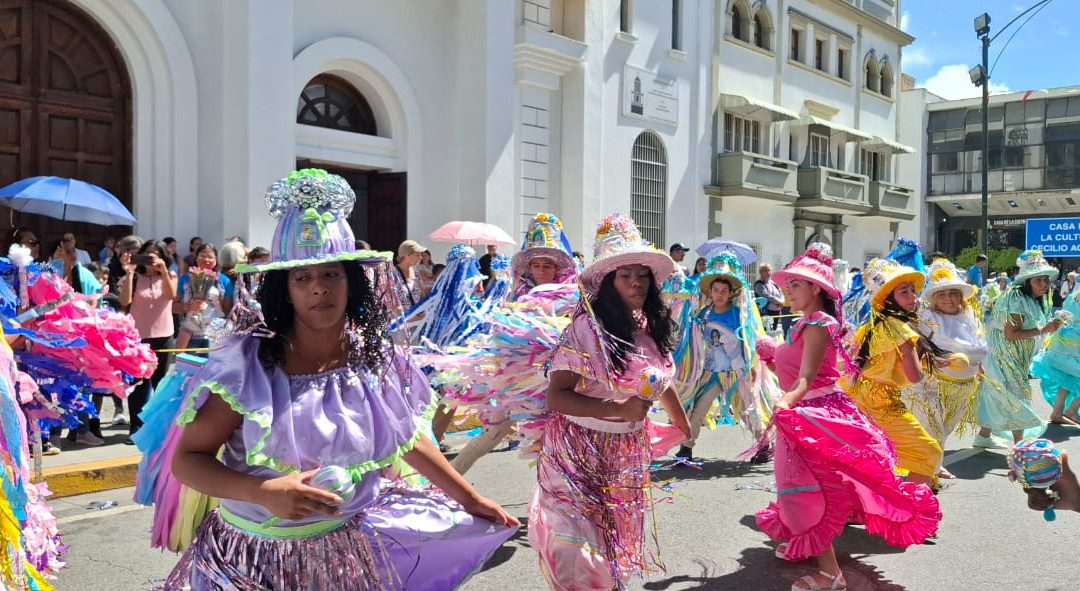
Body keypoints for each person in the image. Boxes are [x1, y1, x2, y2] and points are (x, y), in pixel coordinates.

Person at [163, 168, 517, 589]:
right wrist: (263, 492)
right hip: (255, 562)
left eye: (332, 274)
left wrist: (470, 499)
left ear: (352, 283)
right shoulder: (249, 366)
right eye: (303, 278)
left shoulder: (375, 357)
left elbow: (409, 437)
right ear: (284, 288)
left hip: (347, 556)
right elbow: (188, 461)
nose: (319, 289)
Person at [757, 244, 940, 591]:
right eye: (788, 284)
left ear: (815, 289)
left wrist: (784, 403)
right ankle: (811, 546)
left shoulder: (818, 324)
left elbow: (807, 378)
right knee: (802, 489)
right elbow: (801, 370)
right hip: (803, 413)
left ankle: (830, 574)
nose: (788, 290)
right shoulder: (804, 323)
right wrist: (773, 357)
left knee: (802, 491)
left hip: (813, 415)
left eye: (796, 284)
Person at [529, 213, 691, 591]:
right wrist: (617, 410)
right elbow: (557, 396)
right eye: (625, 274)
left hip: (624, 449)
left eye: (642, 274)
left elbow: (660, 380)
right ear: (607, 282)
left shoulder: (649, 327)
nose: (636, 281)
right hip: (576, 445)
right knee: (578, 546)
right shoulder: (586, 328)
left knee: (614, 532)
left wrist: (682, 422)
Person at [448, 213, 579, 475]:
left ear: (557, 268)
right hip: (513, 379)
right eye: (537, 265)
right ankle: (447, 482)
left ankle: (553, 500)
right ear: (529, 268)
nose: (542, 271)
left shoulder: (571, 295)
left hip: (552, 379)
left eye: (548, 265)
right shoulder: (517, 293)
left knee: (550, 439)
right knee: (494, 431)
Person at [845, 258, 946, 490]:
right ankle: (905, 509)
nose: (913, 296)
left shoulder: (876, 324)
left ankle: (862, 505)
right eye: (904, 292)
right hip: (879, 401)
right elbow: (914, 377)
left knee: (869, 455)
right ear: (889, 297)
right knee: (928, 452)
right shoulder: (899, 329)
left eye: (913, 290)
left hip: (858, 395)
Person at [680, 254, 767, 461]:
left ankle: (765, 446)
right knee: (698, 410)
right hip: (711, 372)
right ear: (710, 292)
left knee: (748, 409)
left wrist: (752, 367)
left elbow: (749, 340)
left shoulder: (739, 314)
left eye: (724, 291)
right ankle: (686, 448)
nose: (719, 294)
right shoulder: (704, 314)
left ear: (730, 294)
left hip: (736, 371)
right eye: (716, 290)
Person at [905, 260, 986, 480]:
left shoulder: (970, 318)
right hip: (931, 384)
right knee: (932, 427)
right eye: (941, 294)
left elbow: (979, 346)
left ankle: (935, 464)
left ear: (961, 295)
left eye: (953, 293)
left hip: (963, 386)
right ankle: (925, 471)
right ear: (933, 298)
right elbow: (913, 345)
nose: (948, 298)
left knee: (947, 427)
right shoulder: (926, 319)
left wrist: (979, 368)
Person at [975, 250, 1060, 446]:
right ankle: (1020, 445)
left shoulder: (1033, 299)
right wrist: (1043, 329)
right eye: (1039, 280)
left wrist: (1050, 327)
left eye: (1046, 280)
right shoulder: (1016, 298)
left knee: (1000, 391)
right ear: (1027, 281)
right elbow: (1011, 334)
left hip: (1014, 353)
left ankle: (983, 436)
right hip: (1005, 353)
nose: (1044, 285)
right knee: (1017, 394)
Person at [119, 239, 177, 443]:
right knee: (138, 384)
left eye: (156, 254)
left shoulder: (169, 276)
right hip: (139, 337)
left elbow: (171, 296)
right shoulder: (135, 277)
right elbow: (125, 301)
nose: (151, 258)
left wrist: (162, 271)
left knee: (161, 383)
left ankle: (158, 426)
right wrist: (129, 272)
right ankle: (136, 426)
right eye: (148, 254)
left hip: (164, 336)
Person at [1032, 289, 1080, 425]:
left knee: (1066, 377)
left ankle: (1057, 413)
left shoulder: (1073, 295)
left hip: (1063, 338)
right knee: (1071, 376)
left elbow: (1064, 314)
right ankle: (1071, 410)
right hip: (1076, 341)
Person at [175, 243, 234, 353]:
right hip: (190, 334)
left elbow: (228, 309)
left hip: (215, 335)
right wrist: (188, 307)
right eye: (203, 256)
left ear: (216, 260)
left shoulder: (224, 281)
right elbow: (173, 306)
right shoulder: (185, 279)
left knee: (213, 368)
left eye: (210, 257)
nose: (206, 260)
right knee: (190, 368)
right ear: (196, 258)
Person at [754, 263, 786, 333]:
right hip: (765, 313)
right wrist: (779, 302)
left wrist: (782, 301)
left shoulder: (773, 283)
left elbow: (781, 294)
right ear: (760, 272)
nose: (768, 272)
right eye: (765, 270)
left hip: (776, 311)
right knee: (766, 332)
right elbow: (767, 296)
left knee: (773, 331)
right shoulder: (759, 284)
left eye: (769, 270)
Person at [395, 239, 426, 307]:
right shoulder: (393, 273)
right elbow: (390, 302)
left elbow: (423, 296)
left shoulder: (416, 272)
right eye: (417, 254)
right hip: (401, 317)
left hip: (417, 315)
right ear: (407, 255)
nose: (420, 257)